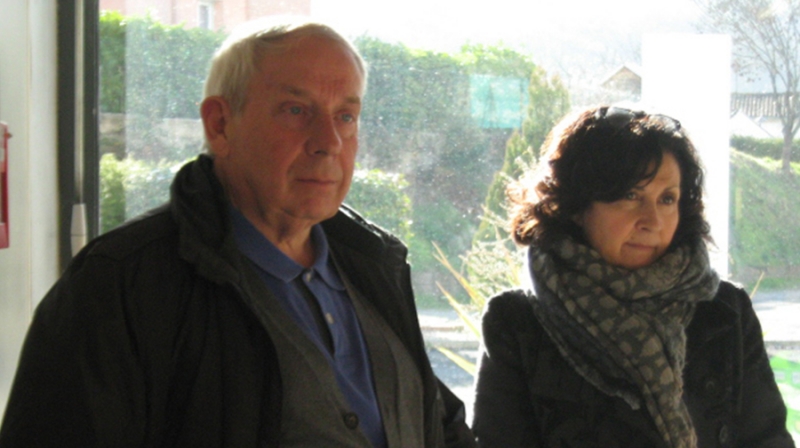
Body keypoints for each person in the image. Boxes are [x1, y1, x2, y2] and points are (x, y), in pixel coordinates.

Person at [0, 17, 475, 448]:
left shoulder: (375, 267)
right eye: (295, 110)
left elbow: (435, 421)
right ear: (220, 124)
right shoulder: (119, 285)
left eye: (345, 116)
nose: (328, 142)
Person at [472, 105, 794, 448]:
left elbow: (767, 440)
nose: (652, 221)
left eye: (667, 199)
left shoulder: (723, 311)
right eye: (630, 196)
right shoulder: (517, 324)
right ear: (577, 206)